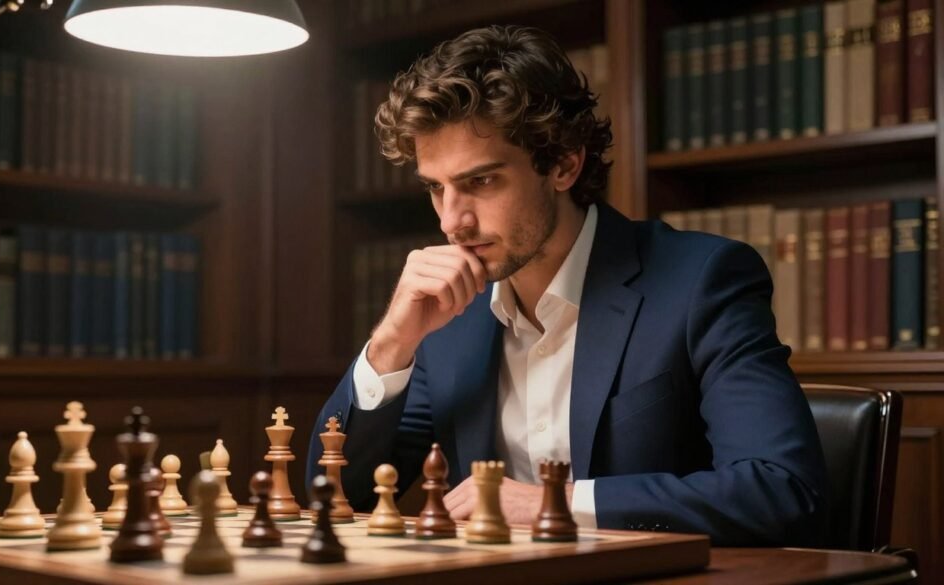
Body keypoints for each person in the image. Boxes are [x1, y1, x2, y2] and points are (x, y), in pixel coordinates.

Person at [306, 25, 827, 546]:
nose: (451, 221)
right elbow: (334, 496)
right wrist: (392, 344)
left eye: (480, 181)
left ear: (563, 164)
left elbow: (781, 490)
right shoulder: (449, 319)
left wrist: (554, 503)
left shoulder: (702, 280)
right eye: (436, 189)